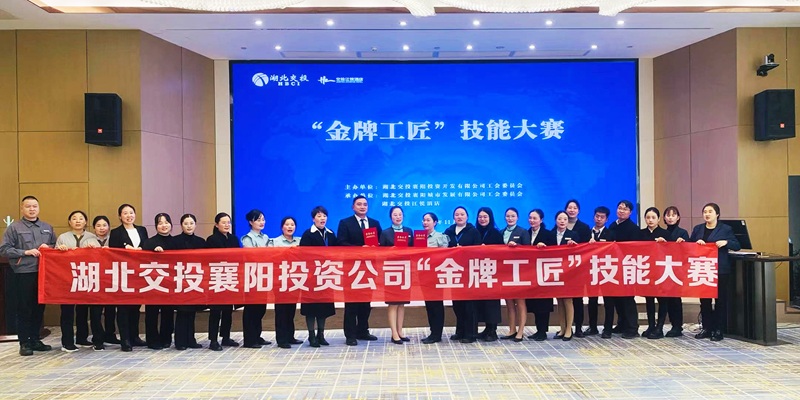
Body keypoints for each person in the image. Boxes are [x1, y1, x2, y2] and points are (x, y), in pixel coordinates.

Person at [1, 196, 56, 356]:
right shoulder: (14, 228)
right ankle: (24, 342)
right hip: (23, 272)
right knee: (24, 308)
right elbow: (4, 249)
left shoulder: (47, 227)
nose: (32, 209)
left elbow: (56, 245)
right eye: (28, 206)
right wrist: (25, 252)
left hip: (43, 273)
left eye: (34, 206)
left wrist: (49, 247)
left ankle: (35, 339)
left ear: (39, 208)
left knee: (39, 307)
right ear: (22, 208)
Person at [690, 203, 741, 341]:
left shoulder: (726, 229)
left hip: (720, 270)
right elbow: (689, 245)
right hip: (703, 269)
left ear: (717, 214)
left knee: (720, 301)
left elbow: (737, 245)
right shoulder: (698, 229)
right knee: (704, 301)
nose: (707, 214)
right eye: (705, 212)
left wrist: (726, 242)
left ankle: (718, 329)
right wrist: (696, 243)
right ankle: (706, 328)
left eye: (710, 211)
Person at [336, 195, 382, 346]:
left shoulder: (374, 223)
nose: (362, 207)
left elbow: (381, 243)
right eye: (359, 204)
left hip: (369, 268)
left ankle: (363, 330)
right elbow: (341, 243)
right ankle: (350, 335)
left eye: (365, 204)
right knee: (351, 304)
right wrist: (360, 249)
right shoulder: (345, 223)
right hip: (352, 269)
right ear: (353, 207)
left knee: (366, 303)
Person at [56, 210, 102, 352]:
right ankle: (67, 342)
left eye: (81, 218)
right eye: (74, 218)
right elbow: (54, 259)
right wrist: (60, 250)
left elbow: (99, 256)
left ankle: (82, 338)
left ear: (85, 222)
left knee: (83, 311)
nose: (77, 221)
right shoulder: (63, 237)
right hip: (66, 280)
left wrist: (92, 249)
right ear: (69, 222)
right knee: (67, 311)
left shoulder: (92, 237)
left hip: (85, 279)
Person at [108, 203, 149, 352]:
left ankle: (134, 336)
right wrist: (126, 249)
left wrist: (142, 249)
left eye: (131, 212)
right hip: (123, 274)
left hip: (138, 273)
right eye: (125, 213)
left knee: (136, 307)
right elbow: (113, 252)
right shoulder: (116, 232)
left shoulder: (142, 230)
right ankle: (125, 339)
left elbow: (147, 246)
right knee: (123, 307)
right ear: (120, 216)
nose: (128, 215)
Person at [300, 206, 338, 347]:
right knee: (311, 309)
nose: (322, 218)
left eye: (324, 216)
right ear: (313, 219)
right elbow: (303, 255)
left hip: (326, 276)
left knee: (323, 308)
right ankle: (311, 336)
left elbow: (338, 252)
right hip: (311, 277)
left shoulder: (331, 234)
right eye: (319, 216)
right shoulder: (308, 234)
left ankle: (320, 335)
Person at [444, 206, 482, 343]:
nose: (459, 217)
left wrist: (464, 251)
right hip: (454, 272)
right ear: (453, 217)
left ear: (467, 217)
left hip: (469, 272)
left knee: (469, 305)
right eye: (457, 214)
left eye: (462, 214)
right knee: (457, 304)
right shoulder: (448, 231)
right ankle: (460, 331)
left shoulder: (473, 231)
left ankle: (470, 334)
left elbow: (478, 251)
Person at [206, 212, 241, 351]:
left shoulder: (233, 239)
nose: (227, 225)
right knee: (215, 311)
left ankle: (225, 337)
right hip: (216, 277)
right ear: (216, 224)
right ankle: (213, 340)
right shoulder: (211, 239)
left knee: (228, 310)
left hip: (230, 277)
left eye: (228, 222)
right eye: (223, 222)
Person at [605, 200, 640, 339]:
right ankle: (622, 324)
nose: (621, 211)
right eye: (619, 208)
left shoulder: (633, 228)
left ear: (630, 212)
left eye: (625, 209)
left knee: (627, 299)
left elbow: (634, 249)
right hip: (614, 267)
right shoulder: (613, 225)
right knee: (617, 298)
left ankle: (632, 328)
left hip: (627, 267)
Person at [141, 213, 176, 350]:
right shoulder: (149, 242)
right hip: (153, 283)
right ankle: (152, 340)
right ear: (156, 226)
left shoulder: (176, 242)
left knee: (168, 312)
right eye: (160, 223)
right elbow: (142, 261)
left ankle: (166, 338)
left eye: (166, 222)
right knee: (152, 313)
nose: (164, 225)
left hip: (170, 283)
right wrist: (153, 253)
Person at [655, 205, 690, 338]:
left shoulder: (683, 233)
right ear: (664, 218)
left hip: (677, 270)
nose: (670, 218)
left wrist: (684, 243)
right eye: (668, 215)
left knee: (675, 299)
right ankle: (664, 325)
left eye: (673, 215)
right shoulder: (662, 233)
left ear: (678, 217)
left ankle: (677, 326)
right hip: (663, 270)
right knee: (664, 299)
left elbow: (689, 251)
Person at [172, 214, 206, 350]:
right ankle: (180, 341)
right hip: (180, 280)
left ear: (195, 225)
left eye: (191, 223)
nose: (189, 226)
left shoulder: (201, 242)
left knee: (192, 312)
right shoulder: (174, 241)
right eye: (186, 223)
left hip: (195, 280)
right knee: (182, 312)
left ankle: (191, 340)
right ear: (181, 225)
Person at [379, 206, 412, 344]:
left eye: (400, 214)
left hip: (405, 270)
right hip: (391, 271)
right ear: (390, 217)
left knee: (402, 303)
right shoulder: (385, 232)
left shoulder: (409, 231)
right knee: (393, 303)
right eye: (395, 215)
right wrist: (390, 250)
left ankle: (400, 331)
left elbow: (414, 249)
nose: (398, 217)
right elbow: (380, 253)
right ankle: (394, 333)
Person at [240, 209, 272, 349]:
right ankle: (249, 339)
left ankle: (257, 336)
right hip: (252, 277)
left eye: (263, 219)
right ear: (251, 222)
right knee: (251, 309)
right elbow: (252, 256)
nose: (261, 222)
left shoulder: (266, 237)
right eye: (258, 220)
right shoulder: (247, 238)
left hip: (263, 276)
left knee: (260, 308)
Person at [637, 207, 669, 339]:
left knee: (662, 300)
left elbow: (673, 252)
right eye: (648, 217)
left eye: (653, 218)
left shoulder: (665, 234)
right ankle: (651, 325)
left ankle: (659, 327)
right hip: (647, 271)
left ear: (659, 219)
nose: (650, 220)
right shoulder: (640, 233)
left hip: (661, 272)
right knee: (649, 299)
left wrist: (665, 244)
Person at [524, 209, 556, 341]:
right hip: (530, 274)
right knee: (534, 304)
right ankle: (538, 330)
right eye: (530, 218)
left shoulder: (548, 234)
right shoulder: (526, 233)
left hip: (544, 273)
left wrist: (545, 248)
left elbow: (555, 251)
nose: (532, 220)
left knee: (543, 303)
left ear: (541, 220)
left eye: (535, 218)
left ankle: (543, 331)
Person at [271, 216, 303, 349]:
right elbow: (272, 258)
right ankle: (281, 339)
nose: (290, 227)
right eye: (287, 224)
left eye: (292, 225)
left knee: (291, 310)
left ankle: (290, 336)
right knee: (281, 311)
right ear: (282, 227)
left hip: (295, 279)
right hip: (280, 280)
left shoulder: (300, 241)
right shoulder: (275, 242)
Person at [500, 207, 530, 343]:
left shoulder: (523, 232)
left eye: (512, 216)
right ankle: (512, 329)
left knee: (520, 302)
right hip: (505, 272)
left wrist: (517, 246)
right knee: (509, 303)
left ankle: (521, 330)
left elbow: (528, 251)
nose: (510, 218)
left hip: (519, 272)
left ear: (517, 217)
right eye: (508, 216)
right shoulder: (501, 232)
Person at [420, 212, 450, 344]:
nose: (425, 222)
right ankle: (433, 332)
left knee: (437, 305)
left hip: (437, 275)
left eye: (428, 220)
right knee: (429, 305)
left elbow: (445, 255)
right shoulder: (419, 237)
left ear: (435, 222)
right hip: (423, 275)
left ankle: (437, 334)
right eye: (424, 220)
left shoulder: (440, 237)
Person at [474, 207, 503, 342]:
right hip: (478, 271)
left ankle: (493, 330)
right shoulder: (475, 232)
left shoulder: (496, 233)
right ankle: (486, 329)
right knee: (482, 302)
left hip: (492, 272)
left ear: (490, 218)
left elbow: (501, 252)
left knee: (492, 302)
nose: (482, 219)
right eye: (480, 217)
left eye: (485, 217)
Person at [586, 206, 615, 337]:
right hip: (591, 270)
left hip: (607, 270)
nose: (599, 219)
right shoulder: (587, 233)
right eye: (597, 216)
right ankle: (592, 327)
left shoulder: (611, 234)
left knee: (608, 301)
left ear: (607, 219)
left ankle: (608, 328)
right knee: (592, 300)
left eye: (602, 217)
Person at [565, 199, 592, 338]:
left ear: (578, 210)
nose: (572, 210)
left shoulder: (584, 227)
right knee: (565, 299)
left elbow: (587, 248)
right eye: (569, 207)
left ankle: (578, 327)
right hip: (563, 269)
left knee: (577, 299)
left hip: (579, 268)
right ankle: (565, 327)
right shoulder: (559, 226)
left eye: (574, 208)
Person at [92, 215, 120, 345]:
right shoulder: (88, 240)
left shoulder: (114, 239)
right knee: (96, 310)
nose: (102, 228)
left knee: (111, 309)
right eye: (98, 225)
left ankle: (110, 334)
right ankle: (97, 337)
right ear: (94, 228)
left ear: (109, 227)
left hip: (111, 278)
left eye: (104, 225)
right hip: (95, 279)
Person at [552, 211, 579, 341]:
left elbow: (580, 251)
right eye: (559, 219)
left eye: (565, 219)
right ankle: (562, 328)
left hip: (569, 272)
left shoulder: (573, 235)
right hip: (555, 271)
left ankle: (569, 329)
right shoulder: (550, 234)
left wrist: (574, 246)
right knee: (559, 300)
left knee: (568, 300)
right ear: (555, 220)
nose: (562, 221)